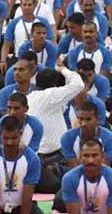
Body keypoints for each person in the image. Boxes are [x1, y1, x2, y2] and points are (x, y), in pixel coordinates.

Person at [28, 66, 85, 194]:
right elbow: (78, 84)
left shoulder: (29, 97)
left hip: (33, 156)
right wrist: (63, 69)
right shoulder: (51, 95)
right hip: (52, 156)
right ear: (54, 85)